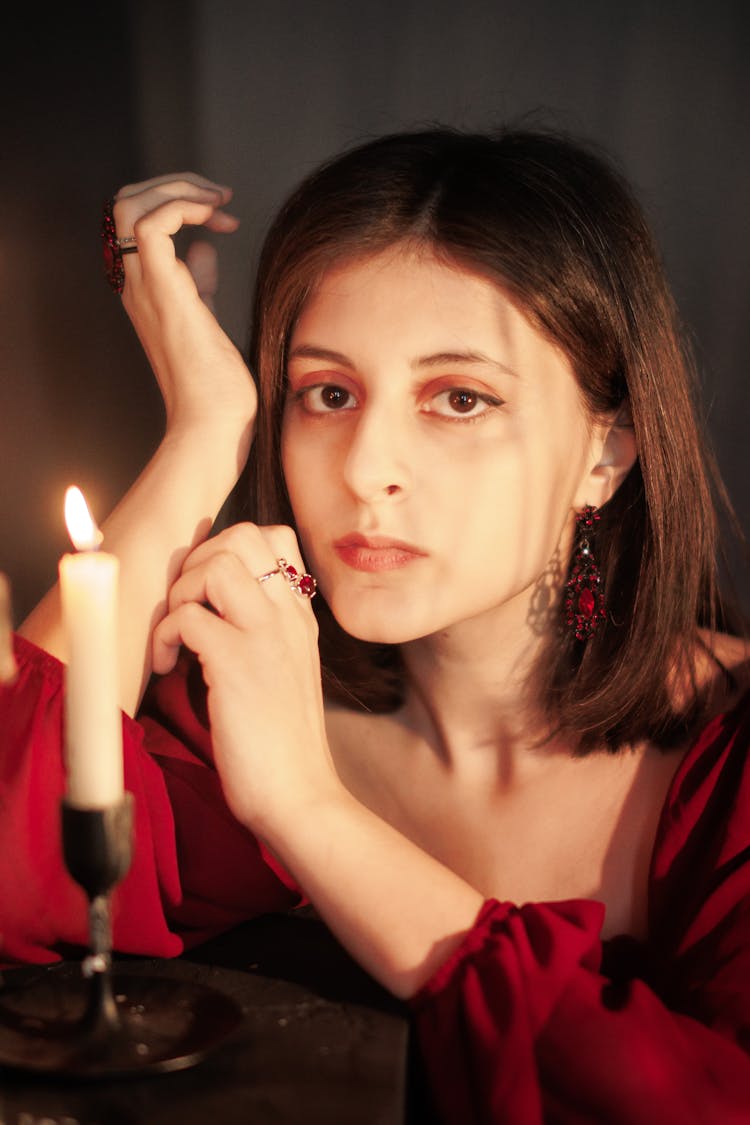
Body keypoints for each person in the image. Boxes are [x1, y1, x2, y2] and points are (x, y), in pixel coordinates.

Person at [2, 125, 750, 1123]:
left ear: (604, 460)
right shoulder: (256, 704)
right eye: (328, 393)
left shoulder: (730, 755)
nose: (362, 469)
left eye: (458, 398)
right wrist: (203, 431)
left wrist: (313, 813)